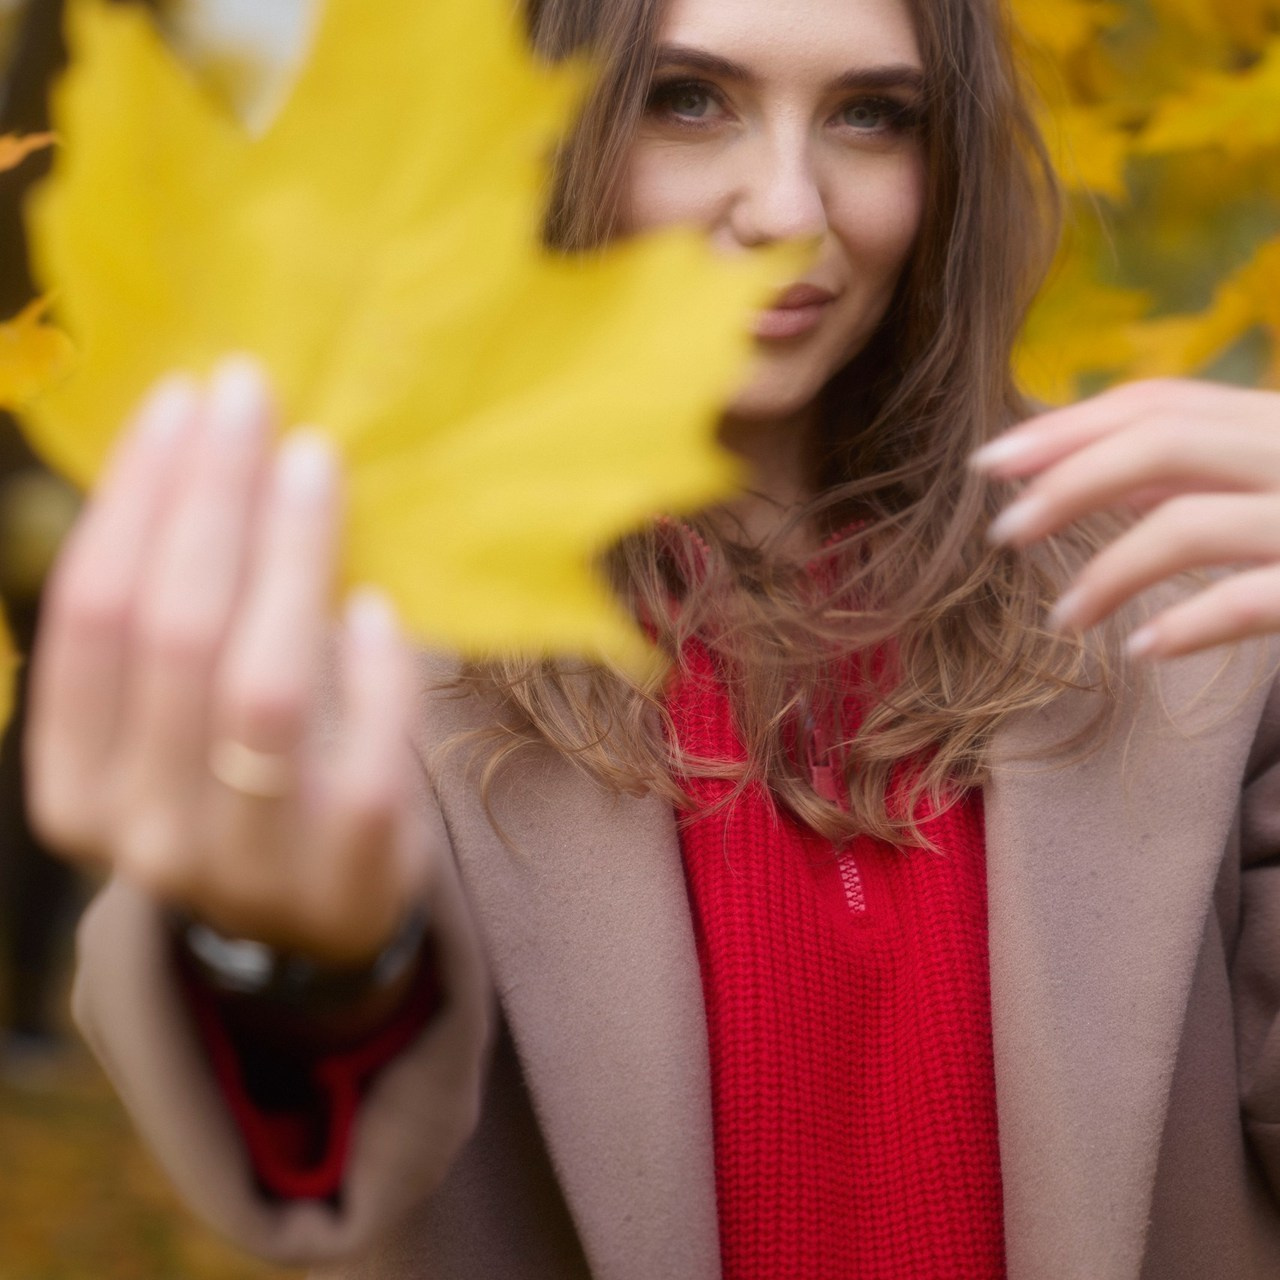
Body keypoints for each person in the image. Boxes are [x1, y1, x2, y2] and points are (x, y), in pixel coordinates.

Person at [22, 0, 1280, 1275]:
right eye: (686, 98)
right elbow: (292, 1149)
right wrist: (284, 956)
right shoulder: (366, 597)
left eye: (870, 115)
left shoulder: (1180, 601)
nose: (789, 204)